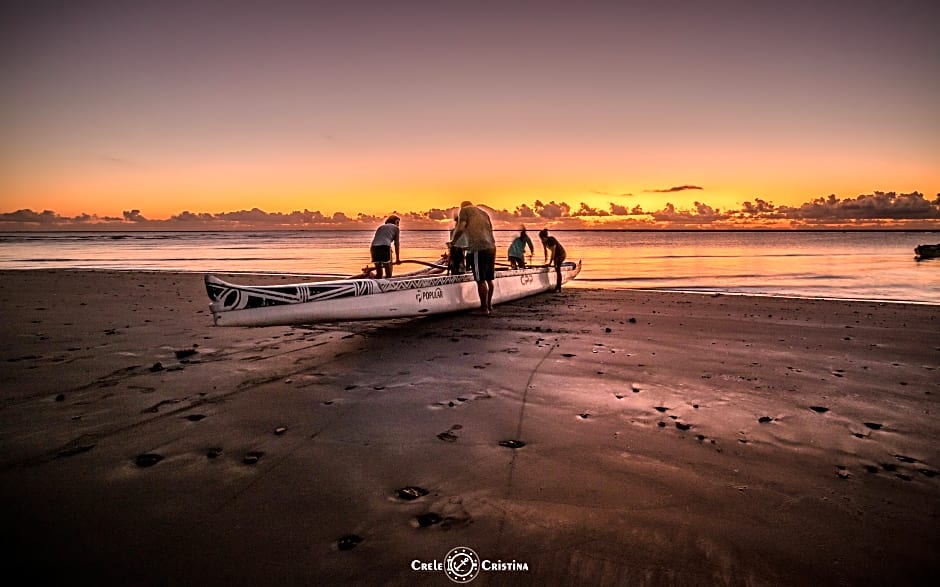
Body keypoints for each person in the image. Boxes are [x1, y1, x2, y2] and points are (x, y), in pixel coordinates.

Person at [450, 201, 496, 314]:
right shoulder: (484, 213)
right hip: (491, 248)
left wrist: (453, 242)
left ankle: (484, 309)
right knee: (489, 279)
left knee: (480, 280)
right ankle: (489, 305)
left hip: (478, 249)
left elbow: (460, 228)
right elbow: (488, 231)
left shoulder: (465, 210)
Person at [538, 228, 567, 292]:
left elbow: (553, 252)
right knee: (555, 266)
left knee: (557, 268)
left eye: (542, 238)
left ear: (546, 237)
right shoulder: (543, 241)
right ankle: (556, 286)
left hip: (561, 254)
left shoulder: (551, 240)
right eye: (541, 239)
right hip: (556, 255)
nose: (542, 240)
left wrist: (550, 262)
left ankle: (558, 288)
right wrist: (545, 259)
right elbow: (545, 250)